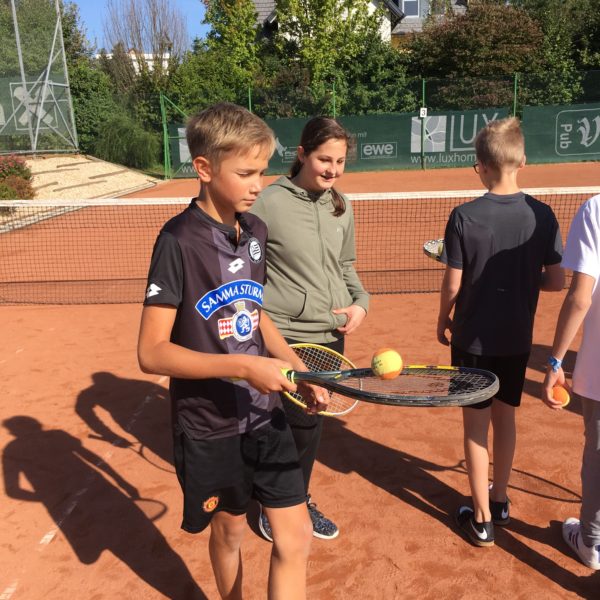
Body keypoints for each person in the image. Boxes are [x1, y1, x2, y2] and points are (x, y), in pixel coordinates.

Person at [137, 103, 320, 600]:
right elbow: (151, 353)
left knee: (296, 536)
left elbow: (254, 313)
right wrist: (243, 365)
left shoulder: (256, 231)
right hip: (209, 425)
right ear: (204, 168)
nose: (258, 184)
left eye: (262, 171)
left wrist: (299, 368)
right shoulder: (177, 241)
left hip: (265, 415)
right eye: (246, 173)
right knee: (231, 530)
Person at [436, 116, 565, 547]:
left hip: (472, 340)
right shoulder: (543, 215)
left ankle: (482, 520)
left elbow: (453, 285)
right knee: (505, 417)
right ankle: (501, 500)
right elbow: (556, 281)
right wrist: (523, 279)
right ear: (522, 160)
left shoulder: (463, 216)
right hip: (516, 339)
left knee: (475, 427)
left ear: (482, 165)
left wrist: (442, 318)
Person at [250, 116, 369, 542]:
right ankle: (280, 504)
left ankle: (294, 498)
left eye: (340, 161)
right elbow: (243, 264)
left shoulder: (340, 204)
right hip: (287, 331)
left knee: (310, 423)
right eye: (324, 159)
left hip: (330, 334)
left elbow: (345, 264)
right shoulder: (267, 203)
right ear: (302, 154)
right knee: (289, 423)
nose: (333, 170)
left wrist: (361, 302)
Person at [541, 193, 600, 570]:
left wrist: (555, 360)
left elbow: (580, 297)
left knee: (598, 454)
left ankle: (592, 542)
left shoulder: (596, 208)